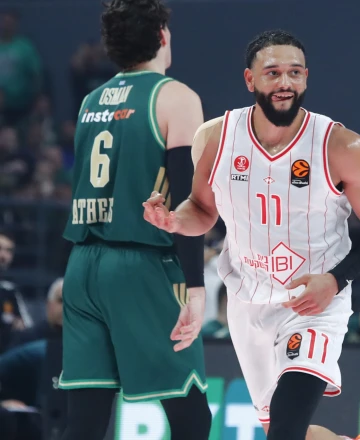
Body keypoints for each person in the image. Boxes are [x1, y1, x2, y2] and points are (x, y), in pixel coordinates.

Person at [143, 30, 360, 440]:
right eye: (273, 72)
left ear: (306, 78)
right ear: (250, 79)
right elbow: (202, 210)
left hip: (313, 304)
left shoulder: (340, 146)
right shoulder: (215, 138)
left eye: (295, 72)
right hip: (248, 301)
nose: (285, 82)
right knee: (278, 427)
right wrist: (174, 221)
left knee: (284, 428)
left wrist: (335, 281)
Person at [59, 1, 211, 439]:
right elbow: (185, 201)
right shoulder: (176, 98)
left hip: (82, 266)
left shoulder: (91, 101)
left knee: (85, 422)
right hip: (141, 265)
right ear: (162, 34)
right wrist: (196, 287)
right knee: (191, 417)